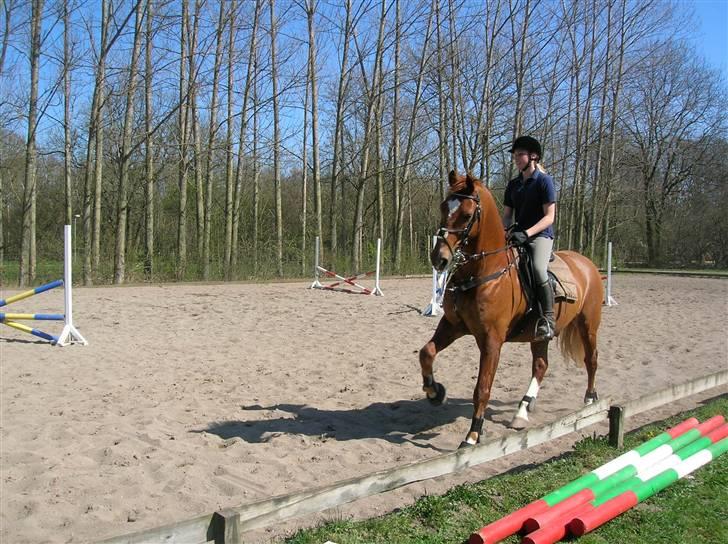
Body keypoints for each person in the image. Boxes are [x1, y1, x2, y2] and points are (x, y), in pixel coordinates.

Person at [502, 135, 557, 341]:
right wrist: (505, 230)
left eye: (519, 155)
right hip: (517, 235)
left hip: (539, 236)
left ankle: (548, 319)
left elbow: (549, 217)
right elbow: (507, 215)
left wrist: (526, 233)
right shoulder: (513, 184)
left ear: (533, 156)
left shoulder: (544, 181)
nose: (516, 158)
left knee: (537, 269)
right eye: (515, 155)